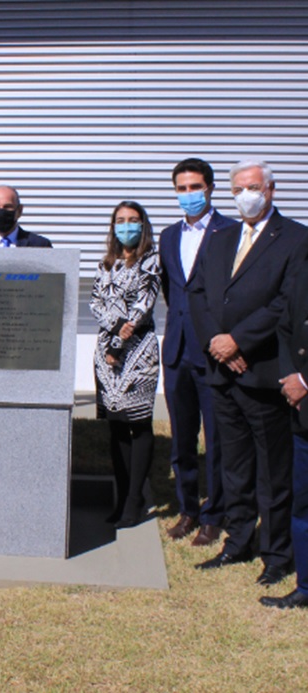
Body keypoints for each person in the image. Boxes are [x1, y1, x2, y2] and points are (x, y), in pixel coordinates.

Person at [190, 160, 308, 586]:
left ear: (271, 190)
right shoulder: (219, 238)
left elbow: (287, 303)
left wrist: (238, 340)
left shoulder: (295, 238)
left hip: (263, 372)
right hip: (223, 372)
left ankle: (276, 554)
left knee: (272, 471)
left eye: (253, 187)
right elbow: (197, 292)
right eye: (238, 189)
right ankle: (237, 541)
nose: (245, 196)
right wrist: (217, 344)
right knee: (234, 466)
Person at [159, 158, 235, 546]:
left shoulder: (231, 232)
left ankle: (214, 513)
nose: (188, 195)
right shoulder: (169, 236)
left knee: (218, 439)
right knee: (182, 437)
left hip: (214, 352)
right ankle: (188, 509)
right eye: (181, 188)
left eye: (195, 187)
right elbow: (174, 293)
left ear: (210, 188)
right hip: (176, 351)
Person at [90, 201, 161, 529]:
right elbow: (94, 301)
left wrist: (119, 340)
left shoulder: (151, 260)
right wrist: (113, 331)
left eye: (133, 220)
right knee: (116, 425)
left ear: (143, 224)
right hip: (105, 354)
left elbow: (144, 305)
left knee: (139, 423)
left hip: (138, 351)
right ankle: (121, 498)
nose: (127, 226)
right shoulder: (106, 263)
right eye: (121, 220)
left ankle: (135, 500)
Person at [264, 262, 308, 608]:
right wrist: (291, 378)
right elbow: (285, 329)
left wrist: (304, 379)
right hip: (301, 411)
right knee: (302, 501)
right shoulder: (302, 273)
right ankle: (305, 586)